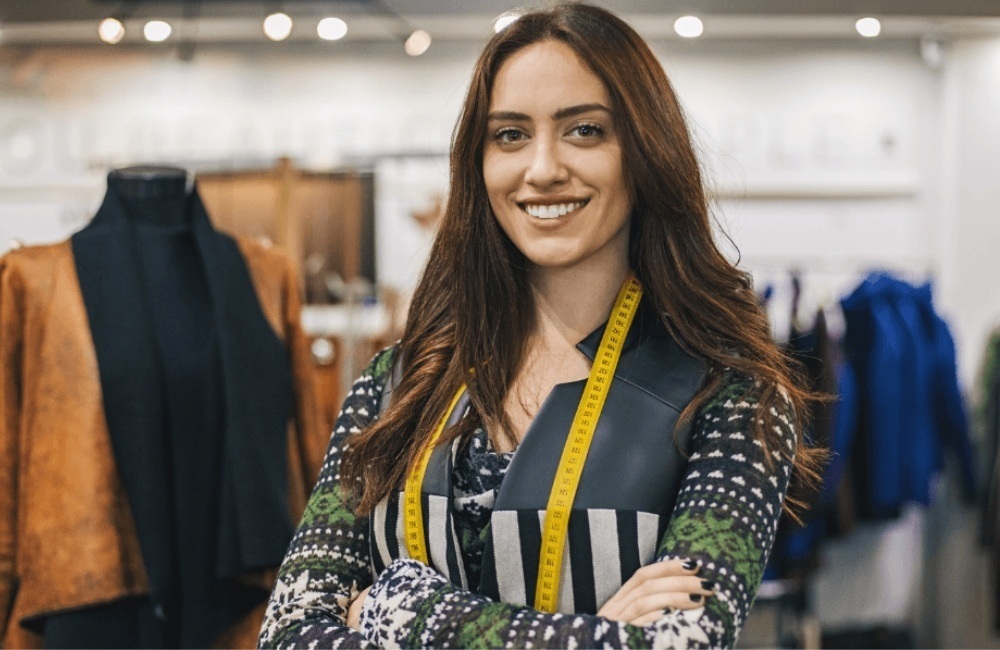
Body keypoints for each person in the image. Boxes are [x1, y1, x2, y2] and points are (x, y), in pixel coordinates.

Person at [258, 4, 822, 648]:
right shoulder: (397, 385)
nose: (544, 167)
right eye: (510, 135)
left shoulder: (733, 393)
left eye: (584, 131)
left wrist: (407, 610)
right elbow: (288, 630)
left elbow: (680, 643)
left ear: (643, 151)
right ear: (479, 161)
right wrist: (598, 632)